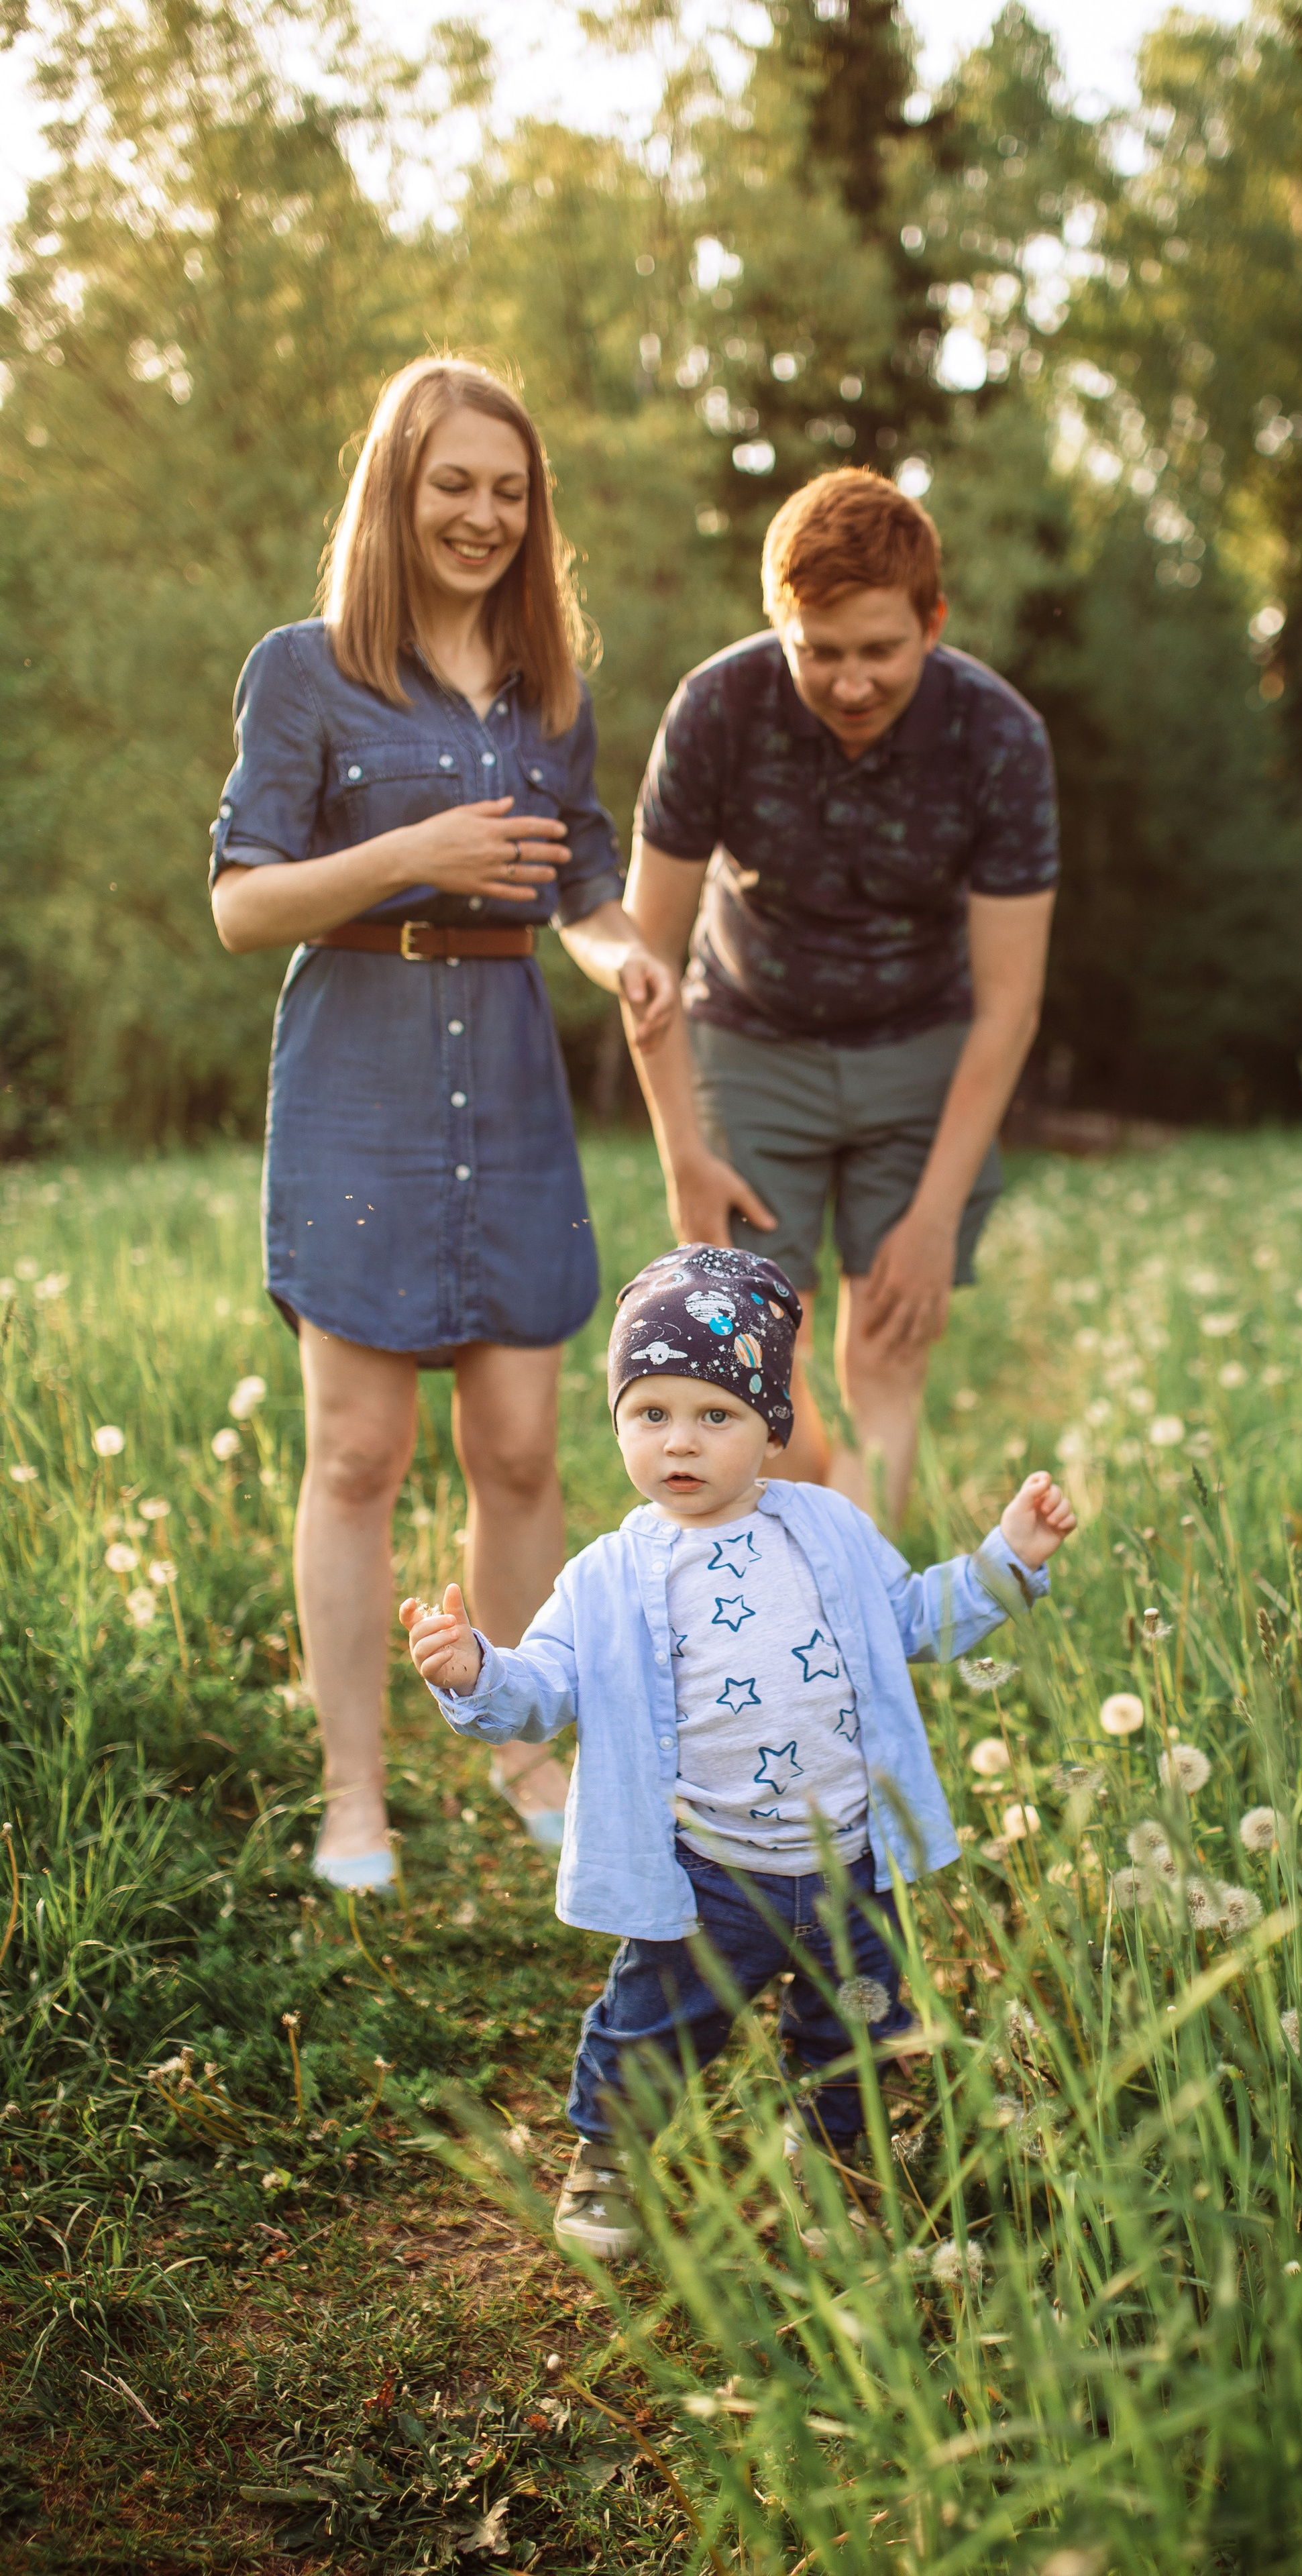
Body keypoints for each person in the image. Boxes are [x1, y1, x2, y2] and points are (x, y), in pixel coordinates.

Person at [209, 356, 676, 1892]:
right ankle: (356, 1796)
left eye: (508, 490)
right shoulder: (304, 670)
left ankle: (524, 1752)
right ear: (397, 494)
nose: (482, 515)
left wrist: (626, 959)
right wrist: (413, 848)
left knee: (525, 1448)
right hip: (358, 1081)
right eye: (452, 485)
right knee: (355, 1453)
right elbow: (241, 903)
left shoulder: (552, 693)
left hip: (513, 1088)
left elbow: (584, 890)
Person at [399, 1242, 1077, 2255]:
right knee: (655, 2025)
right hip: (708, 1872)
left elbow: (914, 1619)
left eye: (716, 1416)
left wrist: (1004, 1562)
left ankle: (833, 2161)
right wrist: (474, 1674)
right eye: (651, 1414)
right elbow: (541, 1694)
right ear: (620, 1421)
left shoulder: (831, 1528)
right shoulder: (608, 1575)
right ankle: (609, 2161)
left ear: (770, 1428)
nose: (681, 1441)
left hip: (852, 1859)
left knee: (853, 2024)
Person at [621, 468, 1059, 1527]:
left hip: (924, 1049)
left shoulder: (1000, 739)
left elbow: (1009, 1003)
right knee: (756, 1343)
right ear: (780, 625)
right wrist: (684, 1149)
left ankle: (861, 1614)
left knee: (889, 1347)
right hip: (749, 1038)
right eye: (820, 652)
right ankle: (787, 1567)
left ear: (933, 623)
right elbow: (645, 952)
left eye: (881, 651)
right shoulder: (716, 709)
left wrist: (933, 1215)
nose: (852, 681)